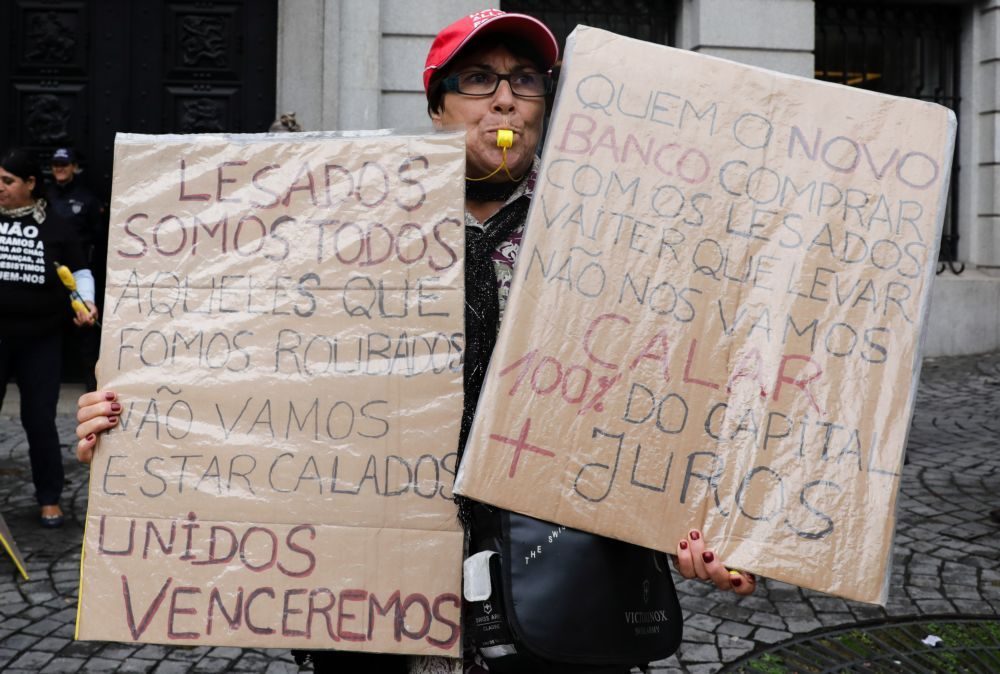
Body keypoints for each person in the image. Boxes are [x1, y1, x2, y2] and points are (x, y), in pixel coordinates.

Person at [75, 9, 754, 670]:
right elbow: (259, 376)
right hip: (377, 590)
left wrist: (712, 521)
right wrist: (139, 428)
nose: (504, 101)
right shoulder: (345, 229)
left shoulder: (612, 234)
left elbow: (672, 395)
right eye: (477, 81)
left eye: (525, 80)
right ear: (437, 107)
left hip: (559, 582)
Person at [1, 148, 98, 528]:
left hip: (40, 340)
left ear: (29, 184)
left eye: (8, 181)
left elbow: (80, 269)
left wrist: (85, 301)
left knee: (39, 419)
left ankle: (49, 498)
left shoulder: (54, 224)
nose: (2, 188)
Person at [47, 147, 105, 392]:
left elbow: (99, 235)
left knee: (86, 333)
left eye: (64, 164)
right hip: (51, 274)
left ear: (74, 166)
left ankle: (92, 386)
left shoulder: (87, 198)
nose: (60, 168)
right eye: (56, 164)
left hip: (80, 273)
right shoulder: (45, 195)